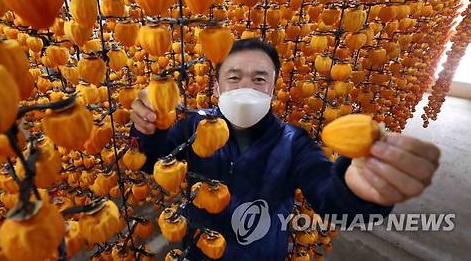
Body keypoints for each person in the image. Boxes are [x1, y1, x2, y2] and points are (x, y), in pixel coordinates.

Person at [130, 38, 440, 260]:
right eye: (234, 77)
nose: (245, 87)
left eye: (259, 79)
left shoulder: (294, 142)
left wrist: (360, 193)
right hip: (200, 248)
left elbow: (328, 196)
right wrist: (147, 130)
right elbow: (151, 162)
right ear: (216, 88)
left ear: (273, 89)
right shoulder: (192, 125)